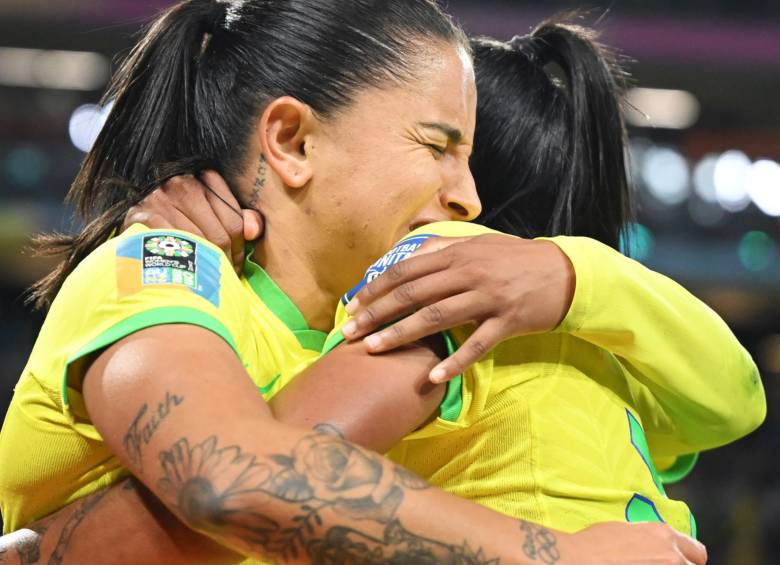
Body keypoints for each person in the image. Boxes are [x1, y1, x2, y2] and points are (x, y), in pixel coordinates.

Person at [0, 2, 707, 564]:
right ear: (293, 141)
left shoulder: (378, 348)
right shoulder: (164, 264)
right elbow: (225, 477)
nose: (468, 198)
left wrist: (573, 275)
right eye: (437, 146)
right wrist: (556, 554)